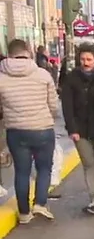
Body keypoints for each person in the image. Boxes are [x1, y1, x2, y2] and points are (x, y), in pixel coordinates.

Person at [0, 39, 58, 223]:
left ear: (9, 54)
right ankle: (40, 203)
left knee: (22, 171)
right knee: (44, 168)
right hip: (42, 129)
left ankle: (24, 213)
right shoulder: (43, 75)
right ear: (28, 52)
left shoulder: (1, 77)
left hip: (16, 131)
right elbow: (54, 105)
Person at [61, 43, 94, 215]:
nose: (85, 62)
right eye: (82, 59)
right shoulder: (72, 78)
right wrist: (72, 129)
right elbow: (67, 106)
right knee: (89, 163)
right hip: (80, 128)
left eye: (89, 59)